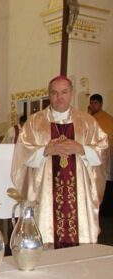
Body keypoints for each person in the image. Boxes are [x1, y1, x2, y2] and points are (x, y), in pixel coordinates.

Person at [11, 76, 108, 248]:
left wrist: (82, 149)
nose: (59, 97)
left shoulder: (87, 122)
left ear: (71, 93)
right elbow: (22, 155)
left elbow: (103, 149)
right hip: (45, 197)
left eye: (64, 92)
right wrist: (45, 151)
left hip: (79, 197)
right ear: (49, 94)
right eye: (55, 93)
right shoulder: (34, 122)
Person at [88, 93, 113, 216]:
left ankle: (105, 210)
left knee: (105, 181)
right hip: (92, 156)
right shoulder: (90, 118)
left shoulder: (107, 119)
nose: (93, 105)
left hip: (105, 156)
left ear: (101, 104)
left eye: (95, 103)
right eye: (91, 103)